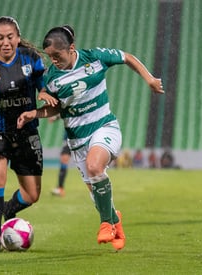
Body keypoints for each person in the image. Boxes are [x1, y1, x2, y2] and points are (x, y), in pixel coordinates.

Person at [17, 25, 164, 250]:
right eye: (50, 57)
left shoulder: (94, 58)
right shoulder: (52, 79)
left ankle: (106, 223)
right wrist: (34, 113)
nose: (54, 60)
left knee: (95, 167)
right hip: (77, 142)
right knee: (98, 196)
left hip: (104, 127)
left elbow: (127, 57)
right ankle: (115, 221)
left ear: (71, 48)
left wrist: (150, 78)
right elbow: (55, 109)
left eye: (57, 55)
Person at [0, 16, 57, 252]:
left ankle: (6, 211)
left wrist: (44, 93)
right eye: (0, 38)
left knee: (32, 194)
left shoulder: (30, 58)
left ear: (17, 38)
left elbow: (43, 83)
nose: (5, 42)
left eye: (10, 37)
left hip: (26, 130)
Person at [49, 115, 71, 197]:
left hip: (80, 135)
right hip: (68, 138)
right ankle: (60, 188)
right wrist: (55, 118)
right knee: (64, 160)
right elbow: (63, 110)